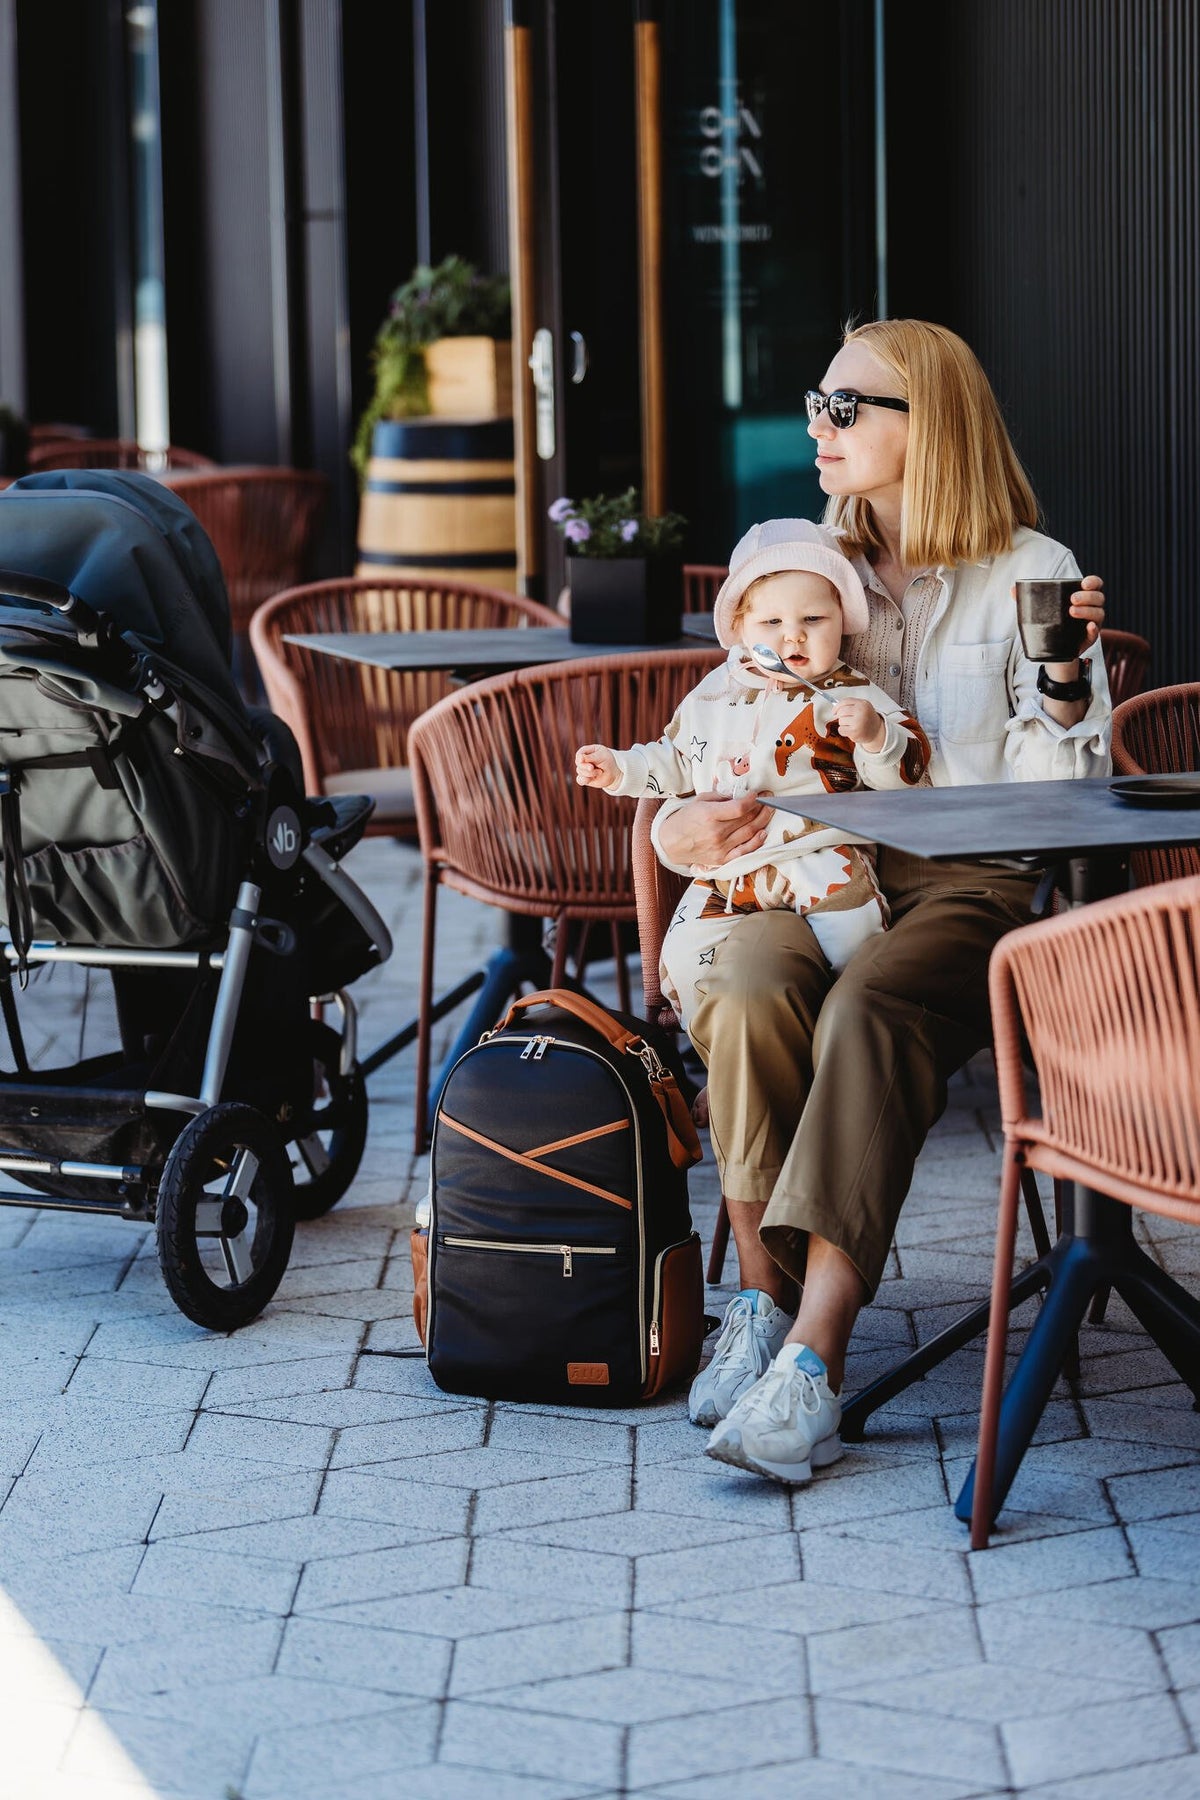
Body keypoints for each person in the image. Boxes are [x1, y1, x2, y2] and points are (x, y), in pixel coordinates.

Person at [649, 318, 1110, 1484]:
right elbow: (714, 730)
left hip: (973, 881)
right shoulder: (808, 561)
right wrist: (675, 828)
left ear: (930, 421)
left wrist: (1062, 685)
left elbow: (1066, 795)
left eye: (845, 406)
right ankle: (759, 1306)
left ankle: (814, 1360)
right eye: (818, 402)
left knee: (871, 1005)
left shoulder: (1035, 571)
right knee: (744, 979)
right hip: (818, 867)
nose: (818, 425)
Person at [575, 519, 930, 1028]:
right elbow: (675, 759)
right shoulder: (713, 693)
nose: (794, 635)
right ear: (741, 628)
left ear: (842, 621)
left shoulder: (849, 694)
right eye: (771, 622)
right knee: (682, 961)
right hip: (726, 871)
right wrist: (618, 769)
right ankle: (712, 1053)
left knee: (857, 943)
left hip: (821, 859)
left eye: (814, 618)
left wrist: (877, 735)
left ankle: (839, 1036)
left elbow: (905, 773)